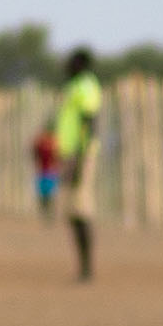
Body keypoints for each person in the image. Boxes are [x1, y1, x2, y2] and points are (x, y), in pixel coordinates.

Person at [52, 54, 109, 283]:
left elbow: (89, 120)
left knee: (81, 209)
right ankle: (83, 266)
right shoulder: (74, 86)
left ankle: (87, 268)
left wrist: (79, 155)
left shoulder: (85, 86)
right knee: (73, 211)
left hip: (80, 155)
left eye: (71, 62)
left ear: (80, 64)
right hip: (71, 154)